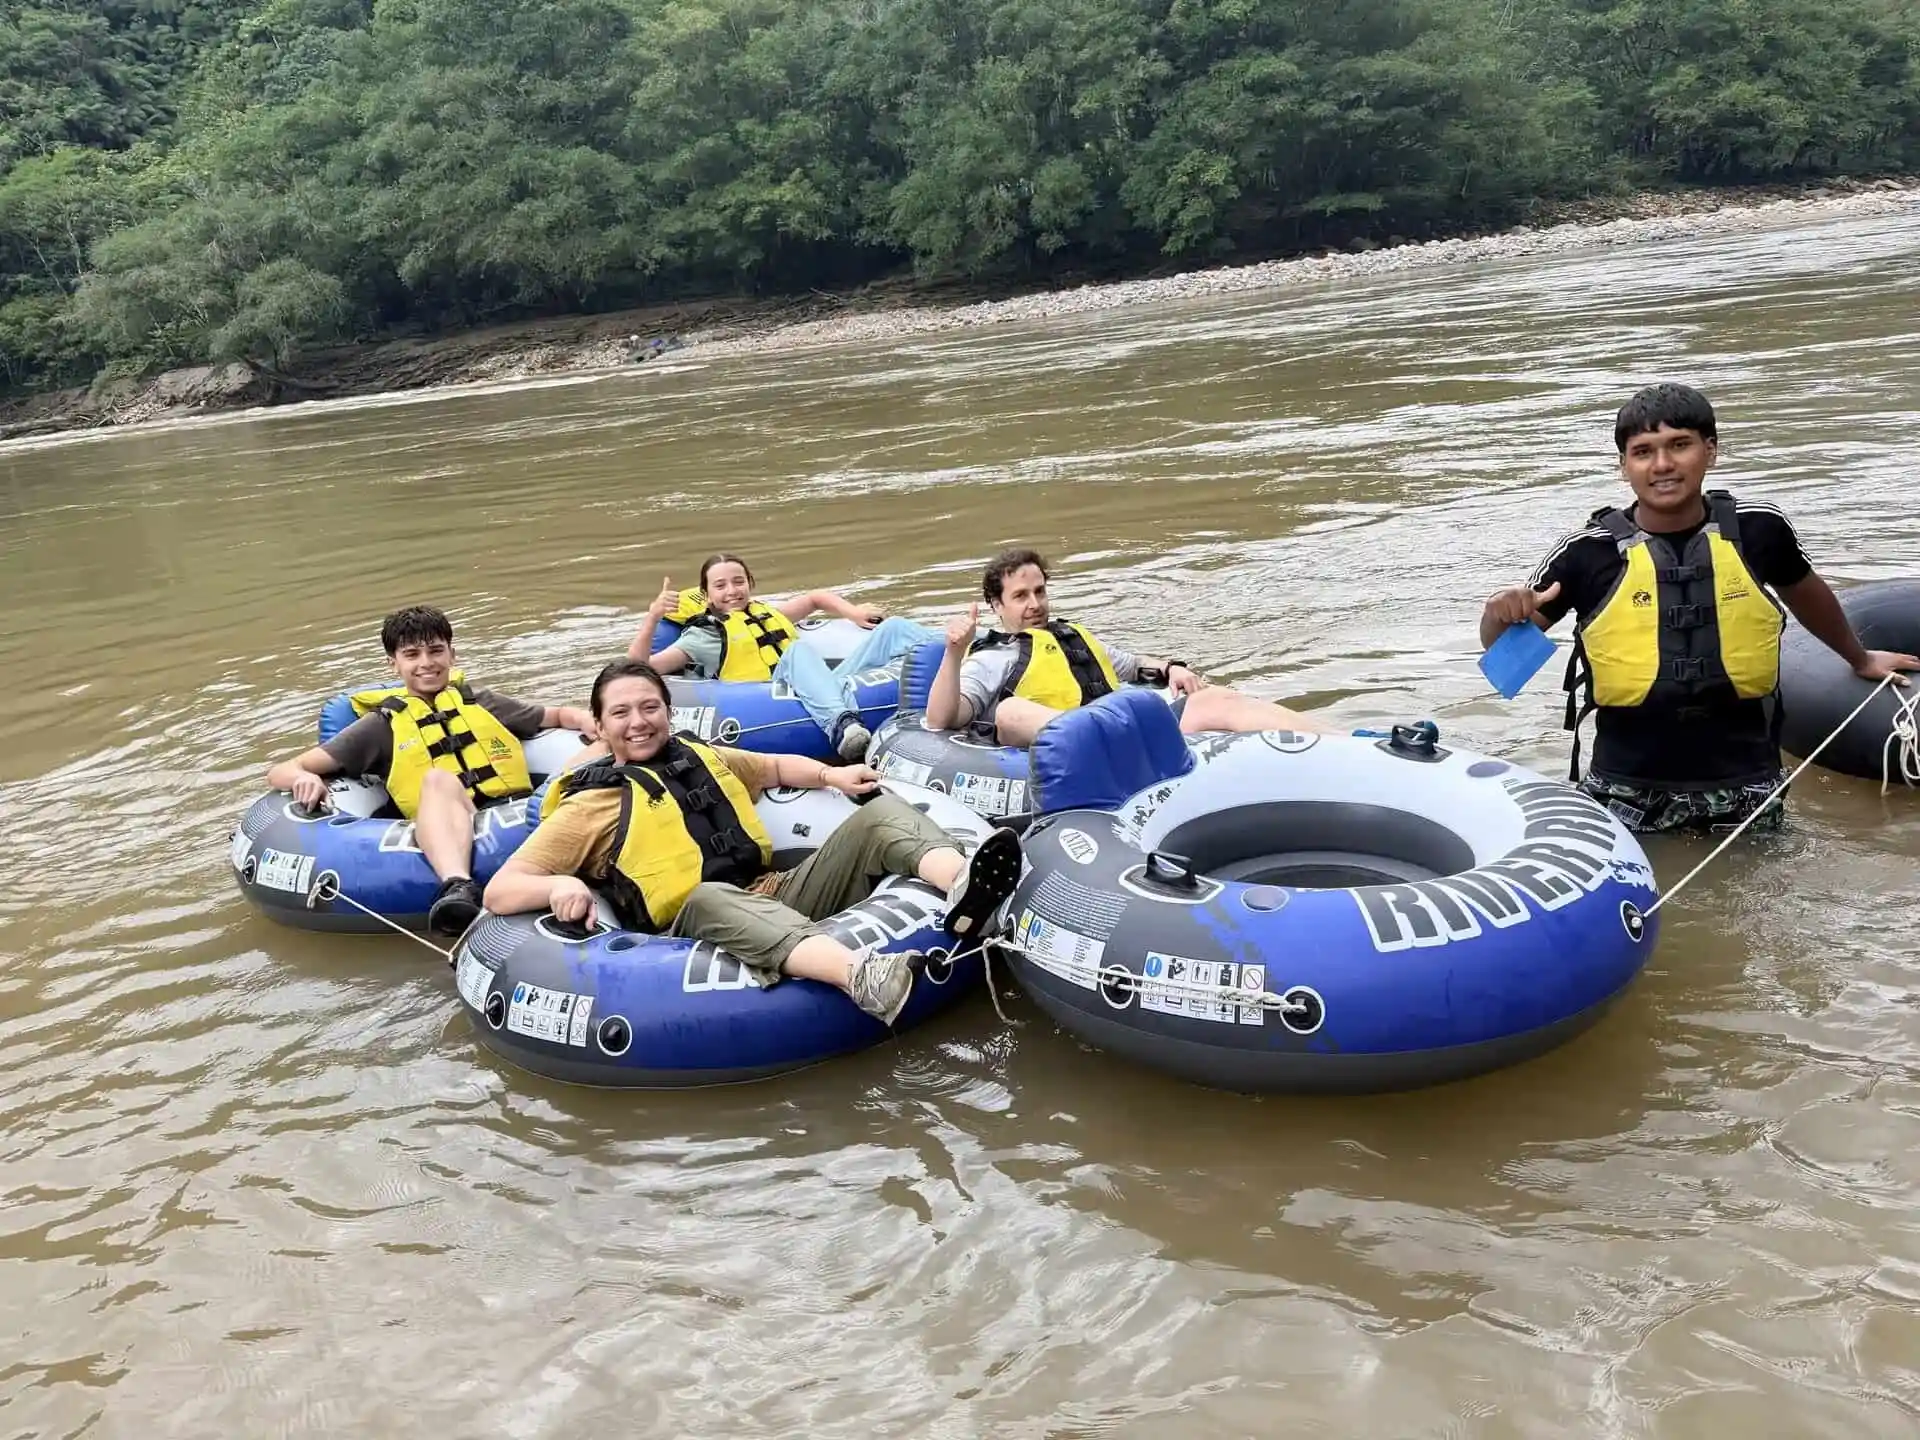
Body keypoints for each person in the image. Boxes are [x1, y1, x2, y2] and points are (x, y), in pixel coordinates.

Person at [1480, 382, 1918, 833]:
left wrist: (1859, 658)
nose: (1663, 464)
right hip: (1625, 787)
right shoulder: (1585, 554)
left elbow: (1808, 596)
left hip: (1748, 780)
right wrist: (1498, 614)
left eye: (1680, 445)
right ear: (1624, 466)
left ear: (1711, 451)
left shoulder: (1760, 531)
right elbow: (1503, 663)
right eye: (1643, 451)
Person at [484, 660, 1025, 1024]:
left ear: (668, 713)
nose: (639, 722)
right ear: (600, 727)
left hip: (775, 889)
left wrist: (831, 777)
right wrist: (557, 885)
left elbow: (769, 767)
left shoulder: (703, 757)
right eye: (621, 713)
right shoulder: (590, 806)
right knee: (707, 894)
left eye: (649, 707)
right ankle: (861, 977)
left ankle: (965, 886)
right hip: (689, 928)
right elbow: (501, 890)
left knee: (881, 814)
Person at [264, 605, 596, 936]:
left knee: (604, 747)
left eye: (436, 650)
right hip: (456, 817)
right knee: (437, 779)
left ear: (452, 654)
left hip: (526, 807)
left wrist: (589, 721)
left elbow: (557, 715)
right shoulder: (379, 728)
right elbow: (284, 769)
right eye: (412, 654)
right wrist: (302, 777)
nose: (426, 663)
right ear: (393, 663)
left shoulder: (480, 703)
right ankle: (459, 886)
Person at [924, 548, 1329, 746]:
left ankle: (1356, 743)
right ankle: (1116, 743)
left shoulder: (1074, 636)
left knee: (1216, 698)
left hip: (1121, 729)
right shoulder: (994, 657)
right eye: (1020, 596)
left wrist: (1171, 668)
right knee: (1010, 711)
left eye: (1040, 591)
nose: (1035, 604)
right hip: (1072, 745)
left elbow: (1134, 666)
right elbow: (943, 719)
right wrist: (954, 652)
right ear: (997, 605)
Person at [628, 553, 936, 761]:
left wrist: (853, 613)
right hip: (770, 701)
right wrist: (653, 618)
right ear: (707, 596)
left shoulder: (768, 613)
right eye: (720, 586)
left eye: (738, 581)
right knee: (799, 651)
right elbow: (640, 668)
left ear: (750, 583)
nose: (732, 591)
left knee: (894, 628)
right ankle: (842, 725)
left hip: (820, 686)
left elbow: (815, 598)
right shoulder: (704, 635)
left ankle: (966, 649)